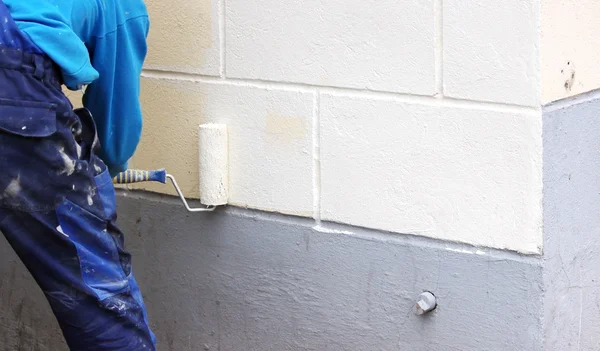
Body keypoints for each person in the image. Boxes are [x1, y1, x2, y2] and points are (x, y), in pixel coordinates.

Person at [0, 0, 155, 349]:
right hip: (11, 82)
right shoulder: (123, 6)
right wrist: (101, 173)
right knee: (98, 297)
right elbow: (116, 117)